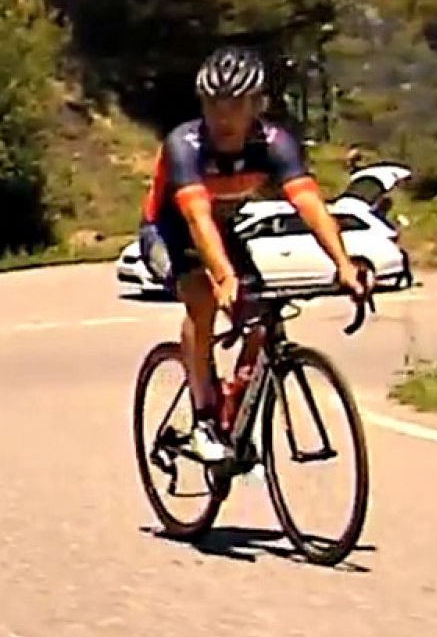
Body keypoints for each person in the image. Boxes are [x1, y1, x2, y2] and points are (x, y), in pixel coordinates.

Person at [138, 46, 370, 463]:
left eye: (235, 105)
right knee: (202, 298)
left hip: (221, 230)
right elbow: (196, 217)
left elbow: (310, 205)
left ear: (258, 105)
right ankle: (203, 421)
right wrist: (224, 277)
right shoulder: (184, 145)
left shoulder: (276, 144)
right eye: (213, 104)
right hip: (169, 230)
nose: (223, 117)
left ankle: (233, 405)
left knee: (262, 316)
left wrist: (344, 264)